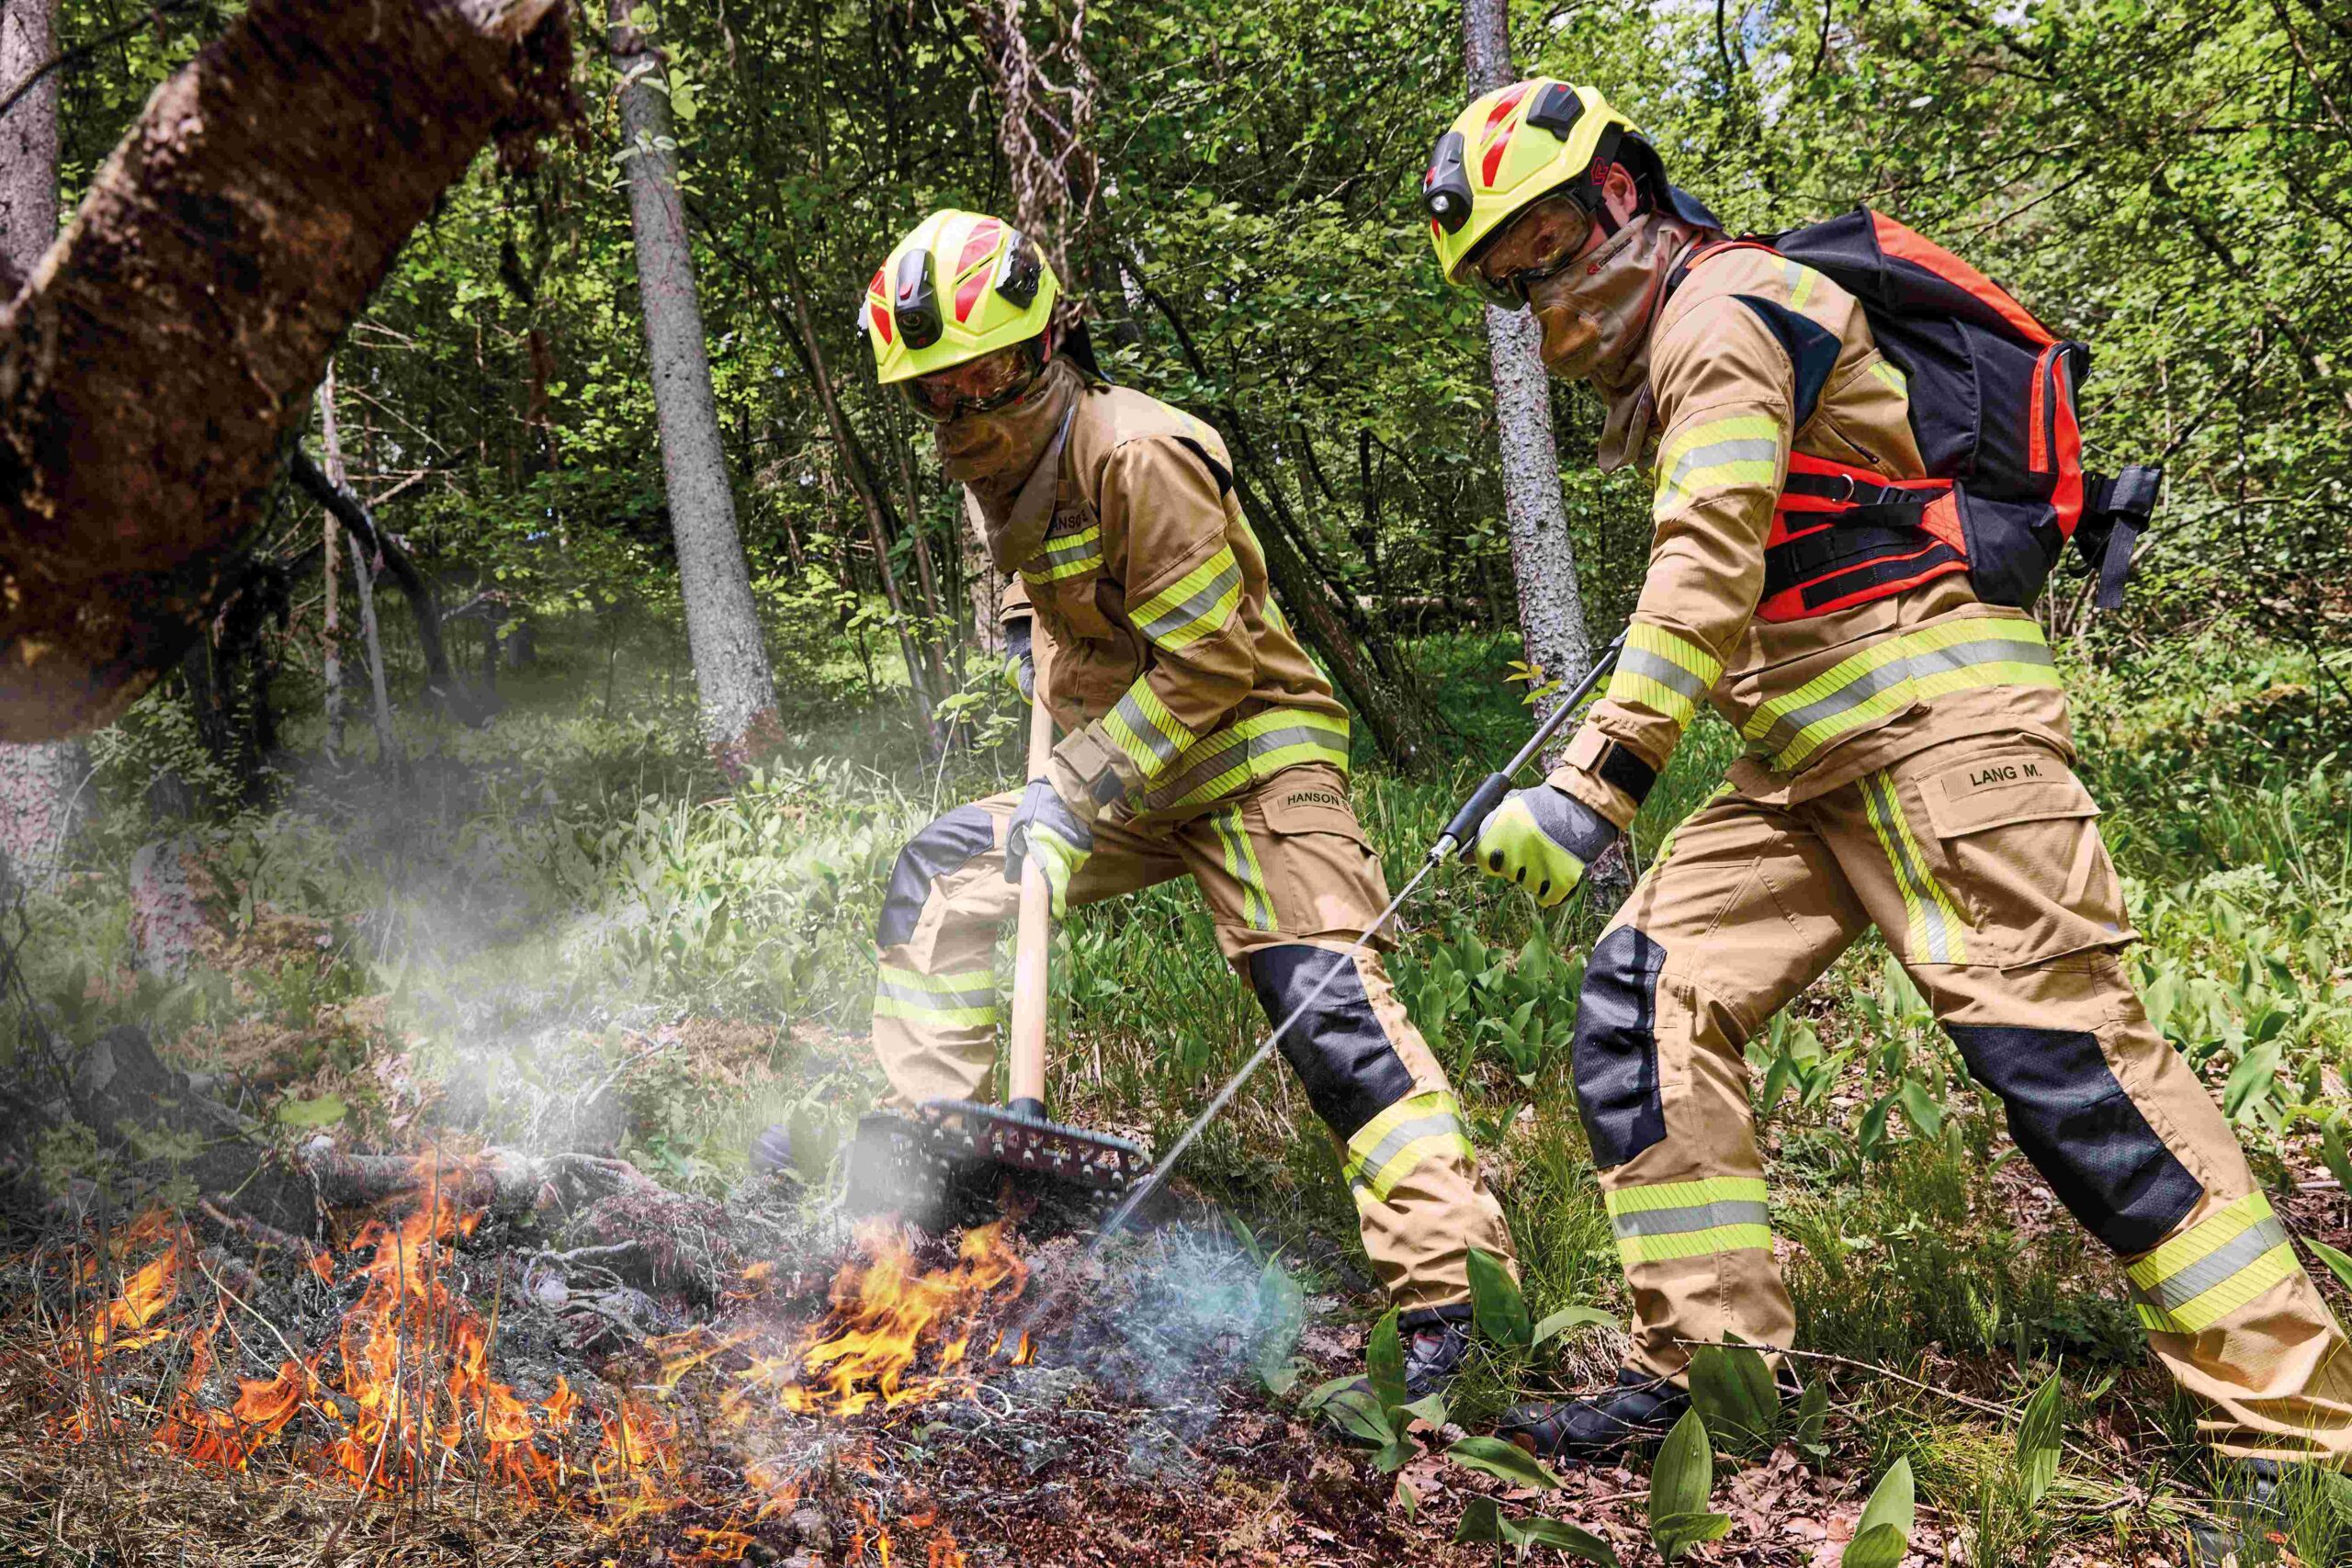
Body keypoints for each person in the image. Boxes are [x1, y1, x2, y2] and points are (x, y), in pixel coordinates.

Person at [1417, 76, 2351, 1517]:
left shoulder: (1721, 310)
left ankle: (2306, 1445)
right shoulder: (1695, 329)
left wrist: (1595, 784)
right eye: (1502, 282)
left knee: (2075, 1077)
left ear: (1617, 199)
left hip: (1935, 735)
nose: (1536, 297)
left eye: (1538, 249)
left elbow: (1707, 554)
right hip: (1809, 761)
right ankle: (1711, 1387)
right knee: (1643, 1001)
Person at [857, 209, 1516, 1394]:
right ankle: (936, 1183)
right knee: (941, 879)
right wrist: (1030, 644)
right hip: (1121, 765)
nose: (962, 416)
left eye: (985, 380)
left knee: (1321, 1007)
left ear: (1049, 346)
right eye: (935, 397)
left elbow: (1210, 666)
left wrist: (1070, 785)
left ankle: (1453, 1301)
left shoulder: (1139, 451)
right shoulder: (998, 464)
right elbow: (1043, 584)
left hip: (1252, 754)